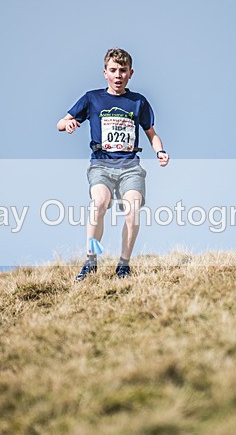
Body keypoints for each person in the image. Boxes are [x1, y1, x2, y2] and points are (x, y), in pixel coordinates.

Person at [58, 48, 169, 281]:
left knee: (133, 210)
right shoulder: (92, 98)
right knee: (98, 203)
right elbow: (61, 121)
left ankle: (123, 265)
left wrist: (160, 151)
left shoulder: (138, 102)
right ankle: (91, 260)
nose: (118, 75)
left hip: (130, 167)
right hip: (101, 165)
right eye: (113, 70)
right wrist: (67, 125)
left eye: (123, 71)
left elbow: (152, 134)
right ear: (105, 72)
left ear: (131, 73)